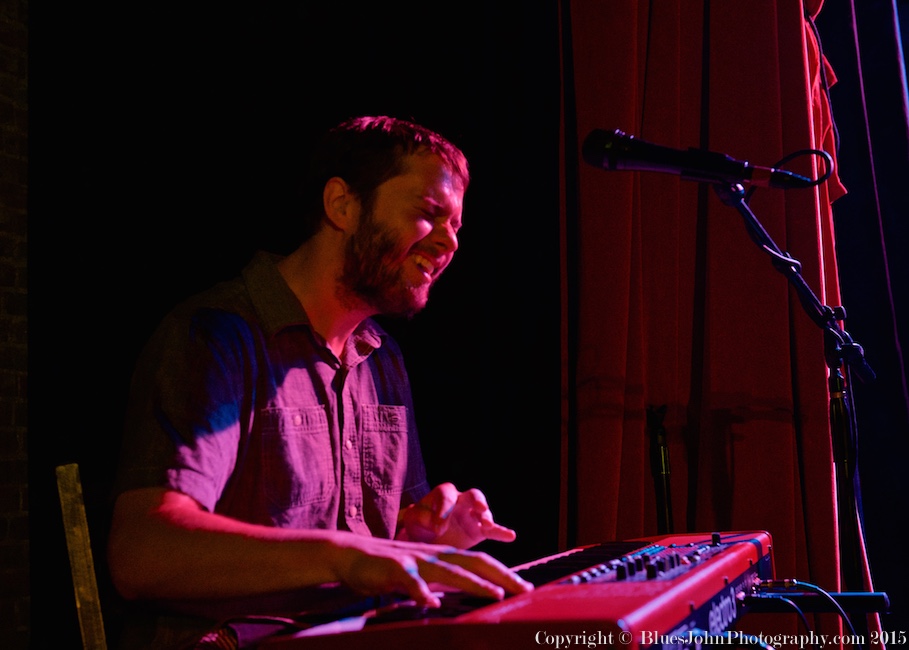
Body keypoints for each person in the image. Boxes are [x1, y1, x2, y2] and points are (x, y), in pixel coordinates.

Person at [107, 115, 533, 648]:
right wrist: (342, 554)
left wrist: (428, 536)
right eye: (430, 214)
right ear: (342, 205)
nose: (449, 242)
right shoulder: (216, 336)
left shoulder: (383, 359)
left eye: (457, 227)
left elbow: (378, 547)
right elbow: (143, 552)